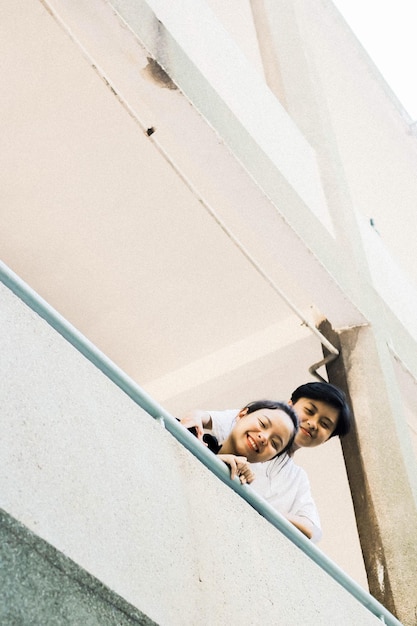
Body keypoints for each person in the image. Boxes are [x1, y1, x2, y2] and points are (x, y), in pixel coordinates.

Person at [181, 382, 352, 542]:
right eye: (309, 410)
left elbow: (312, 531)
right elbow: (200, 418)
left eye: (324, 424)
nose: (313, 424)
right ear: (290, 405)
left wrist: (259, 507)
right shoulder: (255, 425)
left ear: (327, 438)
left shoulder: (297, 478)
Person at [187, 400, 299, 486]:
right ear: (242, 414)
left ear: (269, 458)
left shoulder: (244, 493)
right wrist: (215, 461)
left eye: (274, 443)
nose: (264, 438)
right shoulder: (189, 435)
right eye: (262, 424)